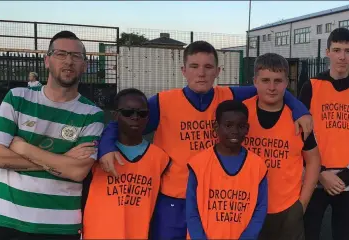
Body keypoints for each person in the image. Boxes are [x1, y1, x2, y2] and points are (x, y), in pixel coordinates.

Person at [98, 41, 313, 239]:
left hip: (215, 203)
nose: (201, 73)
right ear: (183, 70)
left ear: (218, 71)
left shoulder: (228, 95)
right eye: (194, 66)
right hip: (173, 200)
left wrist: (299, 108)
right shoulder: (163, 102)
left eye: (208, 67)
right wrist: (106, 146)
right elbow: (123, 119)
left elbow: (271, 90)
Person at [0, 31, 103, 240]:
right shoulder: (17, 98)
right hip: (7, 216)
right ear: (47, 60)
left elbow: (77, 172)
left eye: (76, 56)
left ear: (84, 65)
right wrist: (62, 161)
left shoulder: (92, 114)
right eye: (61, 54)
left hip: (60, 224)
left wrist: (22, 148)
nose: (68, 61)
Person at [242, 53, 321, 240]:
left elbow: (314, 160)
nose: (271, 87)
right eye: (265, 80)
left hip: (287, 210)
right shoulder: (240, 113)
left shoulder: (299, 119)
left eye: (278, 81)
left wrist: (302, 203)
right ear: (255, 82)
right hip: (245, 207)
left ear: (287, 82)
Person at [82, 88, 171, 239]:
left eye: (142, 113)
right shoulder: (97, 154)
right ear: (116, 115)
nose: (135, 117)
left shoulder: (160, 158)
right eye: (127, 112)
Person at [186, 100, 268, 240]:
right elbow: (191, 209)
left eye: (240, 126)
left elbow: (260, 208)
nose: (234, 131)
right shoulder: (199, 163)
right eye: (228, 125)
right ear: (216, 127)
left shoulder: (258, 166)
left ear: (247, 129)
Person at [301, 27, 349, 240]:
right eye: (337, 49)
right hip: (315, 176)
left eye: (348, 50)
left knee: (343, 235)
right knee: (309, 233)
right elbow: (301, 133)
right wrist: (320, 173)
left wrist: (346, 177)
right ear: (327, 52)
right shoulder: (311, 86)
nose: (342, 56)